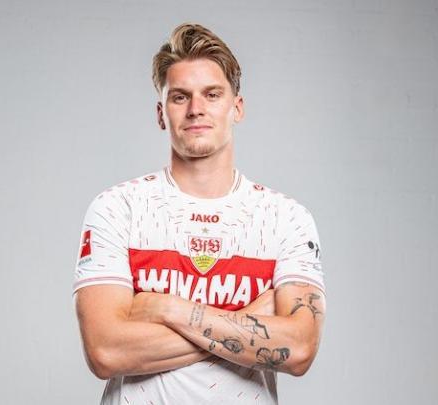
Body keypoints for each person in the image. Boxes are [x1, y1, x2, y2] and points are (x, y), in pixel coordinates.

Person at [73, 22, 326, 404]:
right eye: (180, 97)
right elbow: (106, 352)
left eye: (212, 94)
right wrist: (246, 320)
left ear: (236, 107)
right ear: (161, 114)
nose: (196, 109)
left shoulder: (285, 218)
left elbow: (300, 348)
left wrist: (167, 308)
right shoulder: (117, 208)